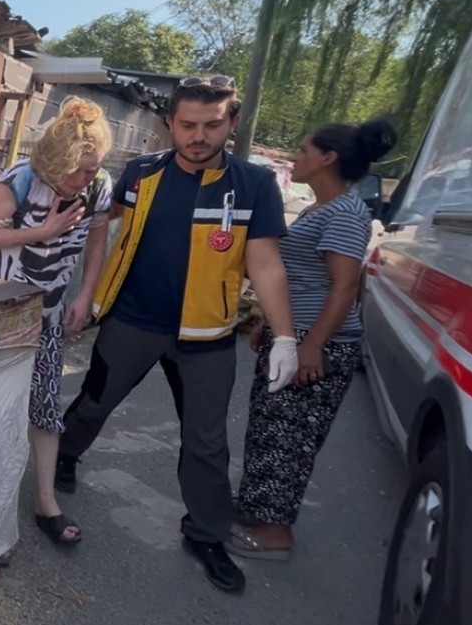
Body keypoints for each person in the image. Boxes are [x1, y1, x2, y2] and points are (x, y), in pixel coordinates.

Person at [53, 75, 299, 595]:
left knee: (207, 442)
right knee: (94, 402)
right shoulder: (140, 173)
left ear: (232, 123)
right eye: (187, 125)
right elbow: (96, 220)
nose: (198, 136)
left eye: (212, 125)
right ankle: (64, 458)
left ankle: (205, 532)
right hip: (132, 321)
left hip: (207, 337)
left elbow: (266, 263)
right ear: (170, 123)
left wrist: (285, 337)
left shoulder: (254, 185)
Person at [226, 119, 397, 562]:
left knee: (289, 439)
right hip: (295, 334)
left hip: (317, 344)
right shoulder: (319, 209)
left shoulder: (344, 213)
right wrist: (273, 324)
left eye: (303, 151)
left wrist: (313, 343)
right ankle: (254, 513)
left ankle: (274, 534)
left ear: (328, 158)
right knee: (269, 431)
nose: (296, 159)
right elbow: (299, 279)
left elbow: (344, 286)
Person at [0, 97, 114, 546]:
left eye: (94, 169)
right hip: (1, 315)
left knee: (45, 404)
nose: (88, 179)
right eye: (82, 170)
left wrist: (86, 296)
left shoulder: (99, 185)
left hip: (49, 316)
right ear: (58, 163)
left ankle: (45, 501)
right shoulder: (20, 180)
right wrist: (42, 232)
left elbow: (96, 240)